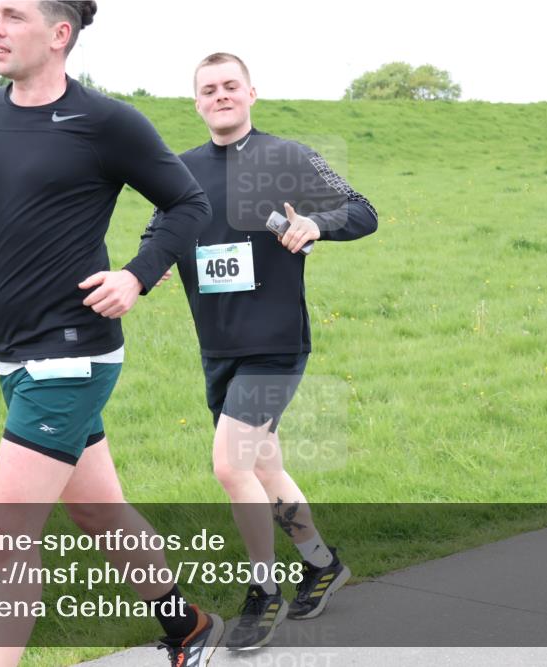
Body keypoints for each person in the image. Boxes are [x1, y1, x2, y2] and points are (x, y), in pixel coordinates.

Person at [0, 3, 222, 665]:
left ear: (59, 35)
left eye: (13, 15)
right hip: (12, 355)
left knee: (7, 536)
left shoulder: (105, 122)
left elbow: (189, 201)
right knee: (98, 511)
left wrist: (139, 276)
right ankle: (187, 626)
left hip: (71, 354)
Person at [142, 52, 378, 650]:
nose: (219, 96)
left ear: (251, 93)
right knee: (263, 465)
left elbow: (363, 210)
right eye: (208, 89)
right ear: (196, 102)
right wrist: (151, 266)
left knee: (230, 465)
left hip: (275, 343)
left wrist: (318, 226)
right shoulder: (180, 169)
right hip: (218, 344)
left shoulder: (288, 157)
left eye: (230, 86)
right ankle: (322, 564)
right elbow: (159, 234)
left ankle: (262, 590)